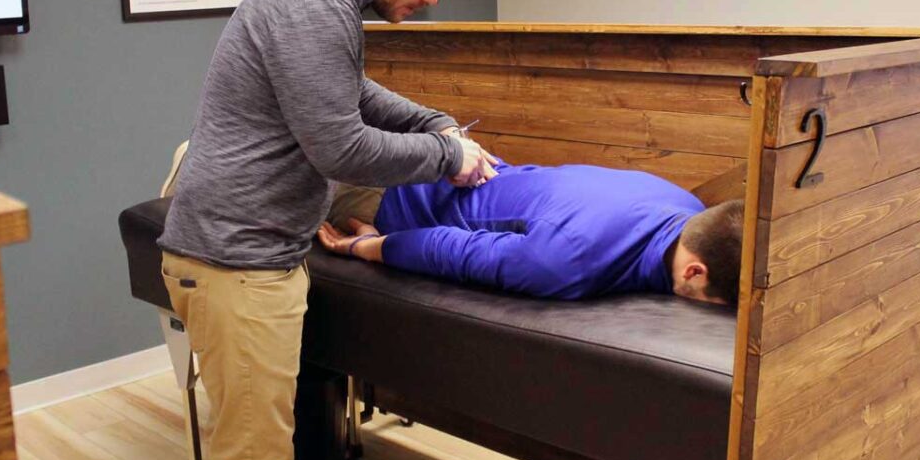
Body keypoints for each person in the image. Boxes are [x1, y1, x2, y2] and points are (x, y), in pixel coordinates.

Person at [158, 0, 496, 460]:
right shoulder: (315, 2)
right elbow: (341, 145)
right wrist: (445, 153)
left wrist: (432, 123)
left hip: (241, 245)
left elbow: (351, 93)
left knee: (252, 453)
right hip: (238, 263)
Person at [318, 160, 745, 305]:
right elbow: (452, 249)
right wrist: (368, 247)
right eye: (711, 305)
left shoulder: (684, 204)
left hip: (447, 168)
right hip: (386, 197)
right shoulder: (568, 261)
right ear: (694, 272)